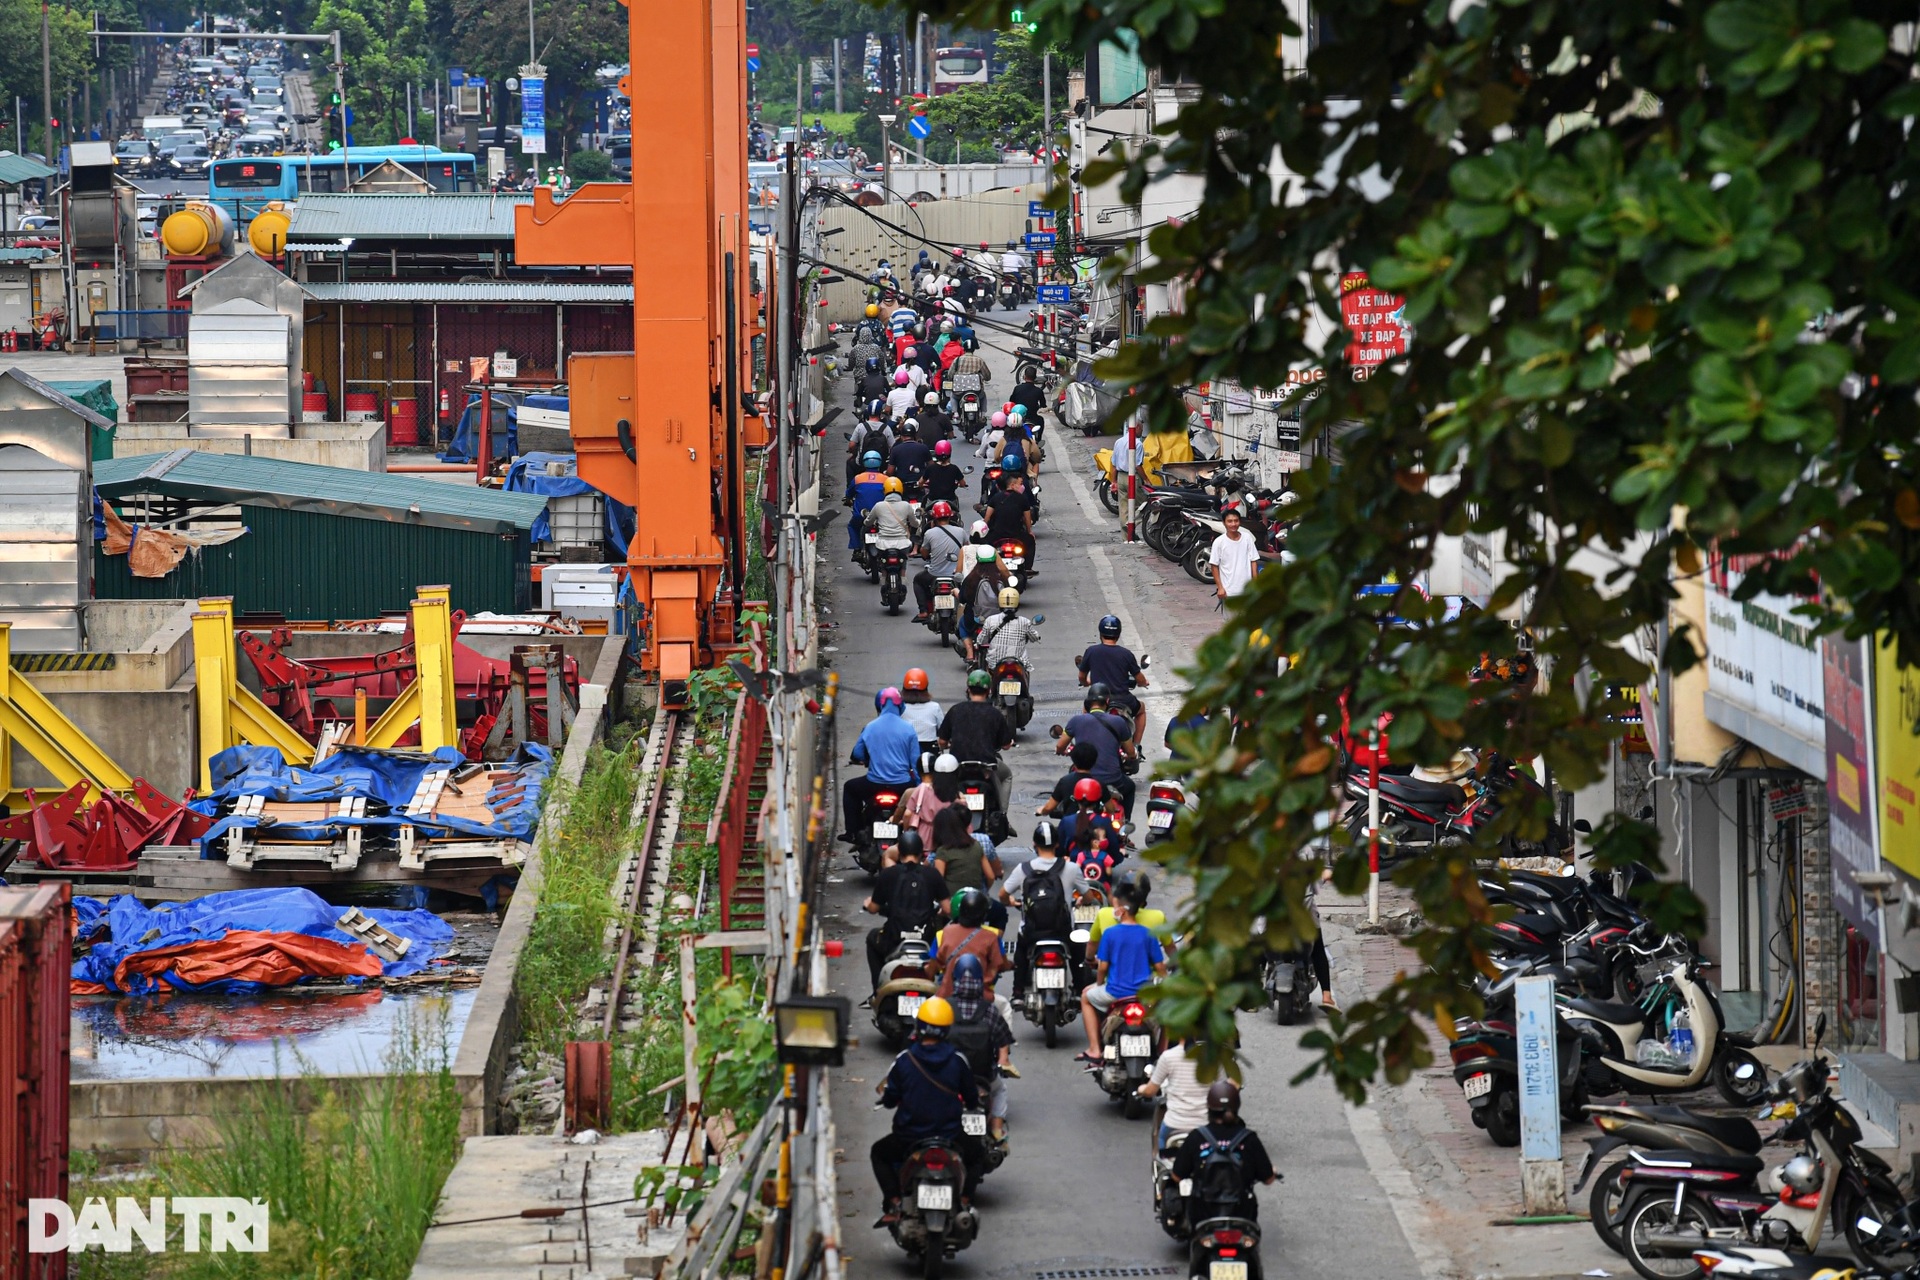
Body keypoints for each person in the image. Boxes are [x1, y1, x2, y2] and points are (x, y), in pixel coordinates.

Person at [871, 995, 980, 1224]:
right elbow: (971, 1098)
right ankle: (967, 1200)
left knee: (879, 1153)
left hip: (909, 1137)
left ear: (919, 1027)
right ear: (947, 1029)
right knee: (977, 1154)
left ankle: (893, 1200)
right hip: (949, 1137)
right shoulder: (958, 1061)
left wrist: (891, 1099)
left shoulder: (904, 1060)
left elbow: (890, 1099)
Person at [1076, 885, 1168, 1062]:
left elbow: (1102, 967)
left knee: (1086, 999)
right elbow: (1160, 966)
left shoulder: (1110, 934)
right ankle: (1162, 1051)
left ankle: (1095, 1049)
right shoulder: (1148, 933)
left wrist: (1100, 984)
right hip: (1144, 994)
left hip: (1115, 994)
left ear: (1122, 911)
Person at [1168, 1080, 1278, 1226]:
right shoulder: (1249, 1139)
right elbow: (1268, 1179)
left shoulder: (1197, 1137)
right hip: (1242, 1213)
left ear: (1209, 1108)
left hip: (1203, 1214)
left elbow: (1176, 1176)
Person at [999, 821, 1088, 999]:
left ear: (1034, 845)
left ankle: (1017, 993)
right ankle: (1079, 990)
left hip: (1032, 931)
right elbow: (1089, 896)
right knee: (1078, 953)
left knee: (1021, 955)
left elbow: (1003, 894)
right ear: (1057, 844)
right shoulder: (1071, 868)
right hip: (1063, 931)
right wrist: (1078, 901)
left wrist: (1011, 902)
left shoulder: (1022, 870)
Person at [863, 830, 948, 989]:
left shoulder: (888, 875)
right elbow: (947, 908)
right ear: (921, 853)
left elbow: (874, 908)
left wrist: (869, 904)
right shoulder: (932, 874)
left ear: (900, 853)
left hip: (893, 938)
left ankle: (878, 988)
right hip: (926, 937)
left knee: (872, 938)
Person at [945, 954, 1017, 1141]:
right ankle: (997, 1128)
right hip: (984, 1075)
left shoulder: (944, 1008)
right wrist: (1003, 1060)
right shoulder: (989, 1010)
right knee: (1000, 1090)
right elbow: (1003, 1039)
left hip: (950, 1075)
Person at [842, 687, 921, 845]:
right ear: (901, 705)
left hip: (874, 784)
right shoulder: (909, 730)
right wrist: (920, 787)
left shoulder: (870, 727)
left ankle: (853, 832)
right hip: (902, 786)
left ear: (879, 705)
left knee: (849, 788)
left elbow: (857, 754)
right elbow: (916, 763)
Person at [937, 669, 1016, 817]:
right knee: (1006, 776)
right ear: (989, 690)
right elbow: (1005, 745)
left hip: (958, 766)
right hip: (986, 767)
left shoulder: (955, 710)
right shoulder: (995, 714)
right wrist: (1008, 742)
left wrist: (946, 744)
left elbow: (942, 741)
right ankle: (1002, 815)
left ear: (968, 689)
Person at [1058, 684, 1139, 819]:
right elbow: (1131, 752)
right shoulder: (1119, 722)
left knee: (1068, 794)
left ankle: (1069, 824)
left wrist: (1062, 751)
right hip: (1114, 780)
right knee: (1130, 787)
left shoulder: (1076, 721)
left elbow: (1060, 746)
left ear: (1088, 703)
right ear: (1107, 702)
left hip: (1083, 780)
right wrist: (1131, 756)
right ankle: (1126, 822)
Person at [1079, 614, 1151, 750]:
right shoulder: (1126, 654)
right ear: (1118, 634)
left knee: (1085, 710)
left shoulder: (1091, 651)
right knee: (1141, 710)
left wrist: (1086, 683)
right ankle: (1136, 745)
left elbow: (1081, 677)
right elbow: (1139, 678)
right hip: (1124, 700)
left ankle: (1085, 742)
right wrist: (1143, 683)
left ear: (1100, 633)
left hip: (1098, 699)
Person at [931, 806, 1005, 928]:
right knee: (1000, 914)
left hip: (952, 905)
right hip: (977, 903)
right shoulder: (976, 845)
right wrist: (982, 892)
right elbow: (991, 876)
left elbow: (938, 883)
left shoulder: (943, 851)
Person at [930, 887, 1009, 996]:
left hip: (947, 996)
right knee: (1005, 1009)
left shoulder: (942, 934)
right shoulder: (992, 936)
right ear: (984, 915)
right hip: (982, 997)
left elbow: (932, 967)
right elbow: (1000, 964)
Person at [1136, 1038, 1211, 1149]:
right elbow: (1224, 1087)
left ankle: (1160, 1160)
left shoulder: (1168, 1057)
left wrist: (1140, 1089)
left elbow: (1150, 1091)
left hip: (1174, 1124)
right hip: (1204, 1124)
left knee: (1159, 1136)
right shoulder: (1211, 1058)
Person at [911, 499, 968, 623]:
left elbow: (924, 554)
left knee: (918, 581)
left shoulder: (929, 533)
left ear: (934, 518)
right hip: (956, 574)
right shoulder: (961, 531)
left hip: (934, 574)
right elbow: (967, 549)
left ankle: (923, 611)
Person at [897, 750, 960, 850]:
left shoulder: (915, 791)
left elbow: (907, 814)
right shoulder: (951, 792)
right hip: (946, 839)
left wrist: (906, 833)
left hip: (924, 841)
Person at [982, 468, 1038, 579]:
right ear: (1012, 485)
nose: (1022, 486)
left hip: (997, 535)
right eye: (1020, 484)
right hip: (1016, 535)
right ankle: (1027, 568)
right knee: (1030, 541)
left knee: (984, 545)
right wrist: (1030, 531)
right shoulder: (1022, 499)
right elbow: (1027, 519)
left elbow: (986, 519)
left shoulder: (995, 498)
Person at [968, 586, 1040, 669]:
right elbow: (1034, 637)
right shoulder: (1024, 622)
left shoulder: (990, 620)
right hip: (1019, 663)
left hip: (994, 664)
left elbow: (981, 640)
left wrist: (979, 643)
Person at [865, 480, 922, 568]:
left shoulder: (878, 505)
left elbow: (868, 522)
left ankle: (884, 576)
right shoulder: (906, 505)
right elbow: (915, 524)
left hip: (883, 544)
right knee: (903, 560)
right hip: (903, 544)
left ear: (885, 491)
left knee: (883, 564)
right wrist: (919, 520)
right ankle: (903, 576)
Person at [1209, 507, 1261, 600]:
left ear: (1239, 522)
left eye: (1236, 521)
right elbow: (1214, 566)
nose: (1233, 524)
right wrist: (1220, 588)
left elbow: (1253, 561)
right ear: (1224, 523)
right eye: (1230, 521)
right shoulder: (1219, 542)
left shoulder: (1247, 538)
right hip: (1229, 591)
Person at [1038, 741, 1101, 817]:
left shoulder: (1065, 782)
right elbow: (1111, 808)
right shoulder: (1099, 783)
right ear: (1094, 761)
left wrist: (1042, 810)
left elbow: (1049, 808)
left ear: (1073, 760)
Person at [847, 451, 890, 552]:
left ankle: (856, 548)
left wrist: (848, 499)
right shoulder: (886, 479)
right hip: (881, 515)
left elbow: (849, 493)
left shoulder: (858, 479)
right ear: (880, 462)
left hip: (861, 515)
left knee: (852, 526)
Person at [899, 667, 943, 751]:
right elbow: (942, 730)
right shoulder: (934, 707)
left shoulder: (900, 708)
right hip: (930, 750)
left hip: (906, 748)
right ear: (926, 686)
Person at [889, 423, 932, 493]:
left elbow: (890, 472)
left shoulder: (895, 449)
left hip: (902, 485)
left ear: (901, 436)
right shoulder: (923, 447)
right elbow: (931, 466)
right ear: (915, 435)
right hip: (920, 484)